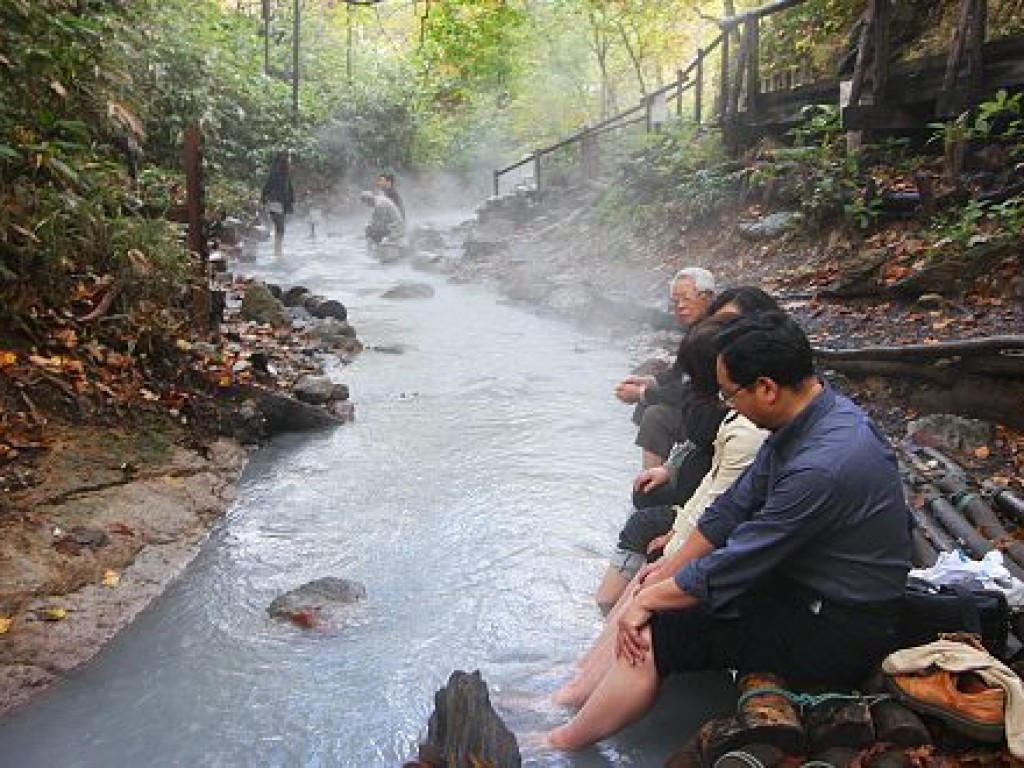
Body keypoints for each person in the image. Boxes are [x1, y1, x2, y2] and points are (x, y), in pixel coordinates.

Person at [549, 312, 912, 751]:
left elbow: (738, 562)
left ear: (767, 388)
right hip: (802, 588)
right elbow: (732, 508)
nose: (727, 406)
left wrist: (648, 601)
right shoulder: (808, 418)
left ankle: (561, 744)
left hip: (838, 625)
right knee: (658, 585)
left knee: (656, 632)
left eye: (729, 394)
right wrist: (666, 573)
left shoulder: (822, 466)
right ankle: (569, 698)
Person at [595, 288, 781, 611]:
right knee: (646, 497)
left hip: (739, 548)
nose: (679, 305)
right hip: (707, 498)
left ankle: (612, 609)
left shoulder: (748, 421)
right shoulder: (709, 362)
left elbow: (724, 507)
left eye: (686, 297)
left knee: (646, 528)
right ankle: (610, 609)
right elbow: (677, 386)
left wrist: (673, 559)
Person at [615, 267, 716, 469]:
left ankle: (653, 484)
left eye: (686, 299)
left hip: (711, 417)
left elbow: (689, 391)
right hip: (701, 408)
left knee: (656, 416)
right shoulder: (698, 327)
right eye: (675, 300)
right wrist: (650, 381)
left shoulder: (711, 333)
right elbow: (680, 371)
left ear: (707, 297)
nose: (680, 306)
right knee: (650, 383)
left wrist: (642, 393)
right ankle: (663, 466)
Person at [261, 150, 294, 257]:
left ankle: (278, 251)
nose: (290, 160)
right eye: (288, 158)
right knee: (280, 227)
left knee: (280, 228)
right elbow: (267, 186)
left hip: (280, 203)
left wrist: (291, 201)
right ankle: (277, 252)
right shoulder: (276, 173)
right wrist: (263, 198)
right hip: (276, 202)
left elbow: (289, 188)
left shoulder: (285, 173)